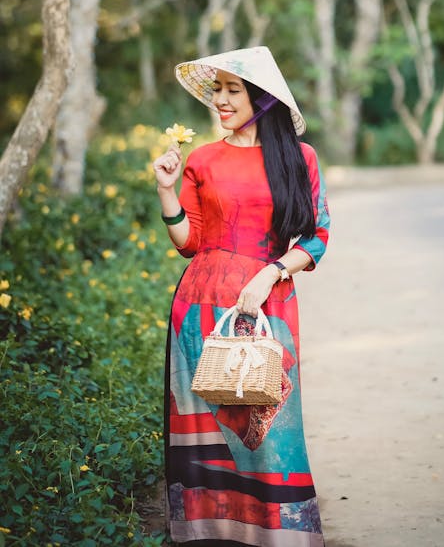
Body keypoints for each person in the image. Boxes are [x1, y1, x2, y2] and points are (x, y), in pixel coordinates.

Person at [153, 45, 330, 546]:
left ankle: (279, 535)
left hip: (267, 308)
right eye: (218, 92)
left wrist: (270, 273)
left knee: (270, 426)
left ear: (263, 98)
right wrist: (168, 192)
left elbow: (317, 237)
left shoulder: (300, 158)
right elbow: (191, 243)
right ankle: (210, 532)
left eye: (234, 90)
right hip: (199, 307)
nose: (221, 102)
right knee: (201, 424)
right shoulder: (203, 159)